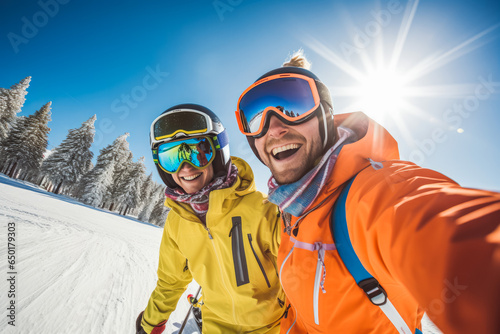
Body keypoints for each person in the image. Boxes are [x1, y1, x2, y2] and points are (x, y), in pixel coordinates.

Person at [234, 52, 500, 334]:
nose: (274, 128)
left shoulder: (377, 193)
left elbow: (445, 226)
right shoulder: (293, 208)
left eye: (293, 108)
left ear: (325, 115)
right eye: (257, 117)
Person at [136, 104, 285, 334]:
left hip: (274, 327)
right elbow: (170, 282)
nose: (185, 167)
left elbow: (303, 268)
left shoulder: (262, 210)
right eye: (171, 158)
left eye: (197, 152)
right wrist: (150, 323)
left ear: (218, 153)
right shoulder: (177, 223)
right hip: (216, 328)